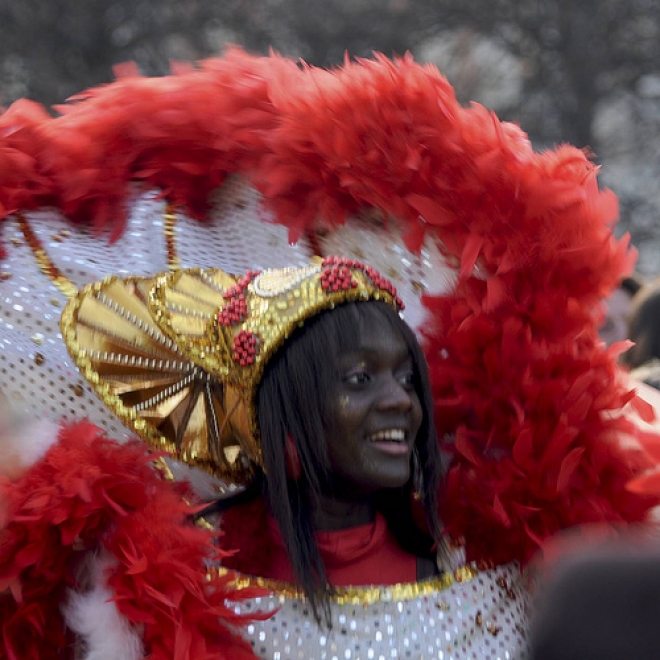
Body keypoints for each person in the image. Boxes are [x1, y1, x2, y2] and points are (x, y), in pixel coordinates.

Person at [1, 47, 658, 659]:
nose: (400, 398)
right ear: (281, 408)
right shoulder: (168, 597)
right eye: (359, 377)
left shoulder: (508, 570)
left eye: (407, 375)